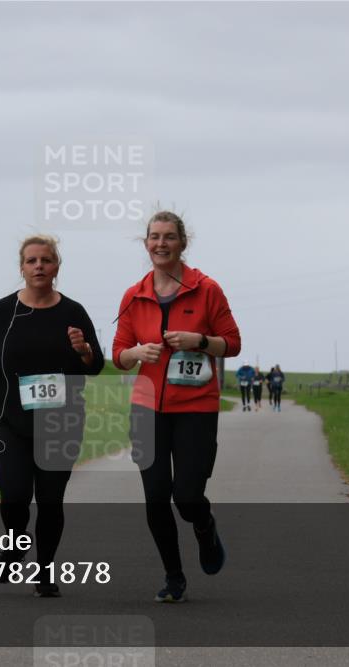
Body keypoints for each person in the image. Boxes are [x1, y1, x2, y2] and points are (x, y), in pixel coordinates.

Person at [0, 235, 104, 597]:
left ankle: (45, 572)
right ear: (22, 268)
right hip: (11, 422)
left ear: (57, 267)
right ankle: (14, 543)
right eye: (31, 261)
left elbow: (95, 365)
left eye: (46, 260)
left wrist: (84, 350)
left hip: (61, 423)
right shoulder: (3, 311)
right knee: (13, 493)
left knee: (51, 501)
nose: (39, 266)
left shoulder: (73, 312)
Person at [112, 211, 242, 603]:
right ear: (146, 243)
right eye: (154, 237)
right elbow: (118, 354)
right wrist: (136, 353)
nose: (161, 244)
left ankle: (204, 525)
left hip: (195, 407)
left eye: (169, 237)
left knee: (186, 497)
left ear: (183, 243)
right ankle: (174, 577)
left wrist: (198, 341)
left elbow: (232, 344)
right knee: (155, 497)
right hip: (147, 407)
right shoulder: (134, 295)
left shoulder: (207, 289)